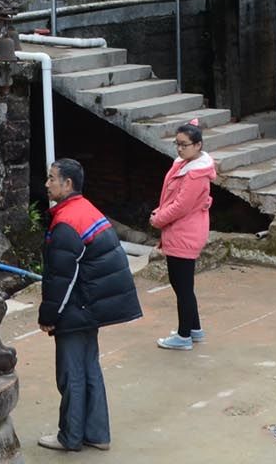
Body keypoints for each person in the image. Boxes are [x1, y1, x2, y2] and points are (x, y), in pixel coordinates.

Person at [37, 157, 142, 452]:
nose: (46, 184)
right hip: (94, 304)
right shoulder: (85, 209)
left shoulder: (67, 221)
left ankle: (69, 437)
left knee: (71, 373)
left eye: (51, 178)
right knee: (89, 367)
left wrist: (49, 314)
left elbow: (61, 277)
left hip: (79, 305)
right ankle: (97, 434)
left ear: (67, 184)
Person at [149, 119, 215, 349]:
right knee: (183, 286)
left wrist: (158, 219)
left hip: (184, 234)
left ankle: (183, 336)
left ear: (198, 145)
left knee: (182, 287)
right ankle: (194, 329)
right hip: (182, 231)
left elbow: (180, 206)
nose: (179, 148)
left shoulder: (196, 174)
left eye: (184, 144)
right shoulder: (184, 164)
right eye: (177, 143)